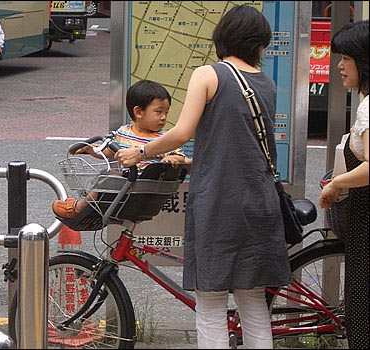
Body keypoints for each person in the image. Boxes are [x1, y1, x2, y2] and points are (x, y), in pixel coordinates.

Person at [115, 5, 291, 348]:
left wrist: (140, 152)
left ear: (223, 36)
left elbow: (182, 133)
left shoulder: (209, 75)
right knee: (253, 302)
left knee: (210, 301)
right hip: (260, 200)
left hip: (220, 202)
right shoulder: (265, 84)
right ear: (258, 43)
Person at [53, 79, 186, 219]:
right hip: (124, 185)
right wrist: (90, 149)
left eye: (166, 112)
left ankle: (78, 207)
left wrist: (172, 158)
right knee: (109, 176)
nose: (163, 117)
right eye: (159, 112)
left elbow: (180, 156)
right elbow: (108, 151)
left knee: (108, 176)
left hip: (144, 187)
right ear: (139, 112)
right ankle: (86, 206)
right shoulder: (123, 132)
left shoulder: (163, 139)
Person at [318, 20, 369, 349]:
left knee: (363, 310)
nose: (339, 66)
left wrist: (336, 183)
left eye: (345, 59)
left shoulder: (367, 108)